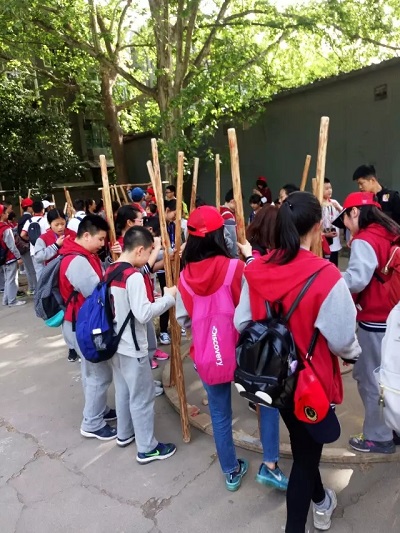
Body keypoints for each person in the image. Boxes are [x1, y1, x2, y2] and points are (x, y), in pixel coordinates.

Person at [235, 191, 361, 533]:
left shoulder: (255, 269)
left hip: (274, 380)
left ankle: (321, 500)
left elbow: (241, 322)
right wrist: (354, 356)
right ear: (318, 227)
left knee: (304, 445)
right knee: (306, 458)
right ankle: (298, 524)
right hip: (311, 382)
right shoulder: (327, 275)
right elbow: (342, 340)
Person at [176, 206, 248, 491]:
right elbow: (248, 312)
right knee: (264, 404)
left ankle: (231, 470)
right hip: (242, 353)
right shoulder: (235, 267)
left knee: (219, 415)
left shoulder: (184, 277)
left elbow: (183, 319)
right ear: (221, 235)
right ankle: (271, 463)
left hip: (207, 354)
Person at [333, 191, 400, 454]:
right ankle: (394, 427)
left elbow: (357, 280)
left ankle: (378, 436)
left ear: (355, 212)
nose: (346, 226)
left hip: (375, 319)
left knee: (371, 379)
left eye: (345, 220)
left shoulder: (364, 239)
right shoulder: (389, 232)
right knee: (392, 374)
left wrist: (330, 277)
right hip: (393, 316)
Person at [106, 226, 177, 461]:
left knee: (123, 391)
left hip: (114, 343)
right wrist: (168, 298)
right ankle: (147, 447)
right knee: (142, 398)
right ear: (139, 250)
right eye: (149, 253)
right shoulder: (133, 276)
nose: (149, 258)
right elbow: (144, 314)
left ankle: (124, 433)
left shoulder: (112, 269)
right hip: (132, 346)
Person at [59, 214, 117, 440]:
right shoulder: (77, 261)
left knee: (91, 372)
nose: (103, 244)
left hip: (78, 322)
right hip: (82, 325)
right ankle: (92, 422)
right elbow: (95, 291)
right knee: (98, 374)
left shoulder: (81, 254)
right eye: (100, 239)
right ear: (86, 235)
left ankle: (99, 409)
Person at [115, 205, 169, 370]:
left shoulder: (134, 243)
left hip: (144, 291)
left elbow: (147, 269)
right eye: (140, 220)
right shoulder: (121, 247)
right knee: (140, 330)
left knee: (148, 331)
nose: (143, 223)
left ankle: (150, 353)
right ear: (130, 222)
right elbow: (143, 269)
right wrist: (157, 249)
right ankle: (145, 359)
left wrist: (168, 259)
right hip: (133, 303)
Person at [34, 209, 77, 279]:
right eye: (56, 225)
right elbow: (38, 257)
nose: (60, 227)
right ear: (49, 223)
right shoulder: (43, 238)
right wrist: (55, 246)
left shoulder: (72, 234)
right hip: (53, 275)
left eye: (62, 224)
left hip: (71, 273)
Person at [157, 199, 177, 345]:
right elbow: (153, 250)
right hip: (161, 268)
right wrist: (167, 253)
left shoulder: (172, 225)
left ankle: (175, 324)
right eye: (175, 214)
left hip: (172, 265)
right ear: (168, 210)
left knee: (175, 296)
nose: (176, 217)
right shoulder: (157, 226)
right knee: (166, 297)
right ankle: (163, 330)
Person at [0, 204, 25, 307]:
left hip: (2, 257)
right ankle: (12, 300)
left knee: (7, 279)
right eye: (6, 213)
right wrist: (18, 257)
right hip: (9, 257)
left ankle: (6, 300)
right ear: (2, 215)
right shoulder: (5, 228)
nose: (7, 214)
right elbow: (12, 245)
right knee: (12, 279)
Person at [20, 200, 49, 277]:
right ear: (43, 209)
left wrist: (30, 239)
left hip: (34, 251)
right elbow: (49, 233)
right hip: (45, 249)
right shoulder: (45, 220)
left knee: (38, 272)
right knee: (47, 271)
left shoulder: (29, 221)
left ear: (33, 209)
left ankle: (40, 285)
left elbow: (22, 234)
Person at [321, 178, 342, 266]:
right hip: (322, 242)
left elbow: (345, 217)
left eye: (330, 188)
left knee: (333, 266)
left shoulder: (334, 203)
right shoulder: (318, 204)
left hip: (334, 243)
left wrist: (339, 208)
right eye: (326, 188)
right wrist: (325, 234)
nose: (329, 190)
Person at [18, 198, 36, 295]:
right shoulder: (29, 219)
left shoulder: (21, 219)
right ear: (28, 208)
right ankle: (35, 288)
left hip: (22, 247)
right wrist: (29, 240)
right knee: (32, 268)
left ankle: (31, 287)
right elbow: (24, 234)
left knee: (28, 269)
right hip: (27, 247)